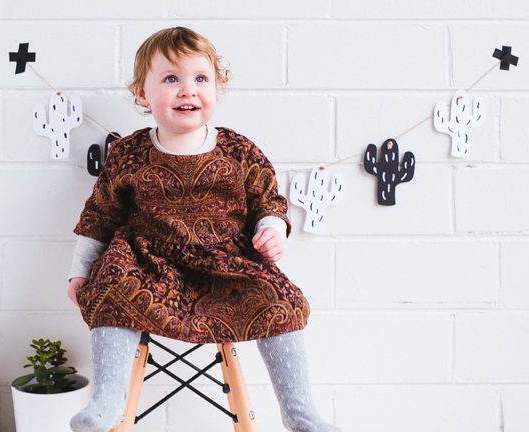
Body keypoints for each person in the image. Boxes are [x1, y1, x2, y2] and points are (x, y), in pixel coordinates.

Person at [67, 26, 340, 432]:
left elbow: (268, 199)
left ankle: (301, 413)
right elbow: (100, 217)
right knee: (112, 285)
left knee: (280, 298)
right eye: (171, 79)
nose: (187, 90)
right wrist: (80, 271)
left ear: (216, 86)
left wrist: (272, 229)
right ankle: (107, 403)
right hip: (147, 264)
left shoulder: (238, 149)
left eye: (200, 79)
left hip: (224, 264)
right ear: (142, 93)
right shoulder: (127, 153)